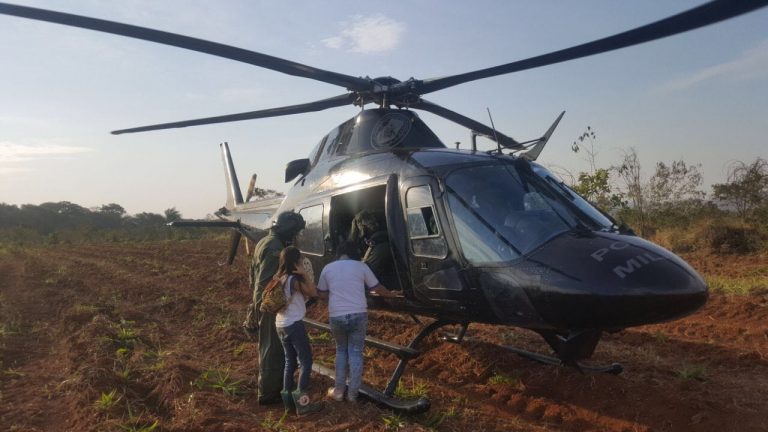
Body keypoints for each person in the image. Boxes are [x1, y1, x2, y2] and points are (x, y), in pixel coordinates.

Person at [316, 240, 399, 402]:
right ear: (355, 253)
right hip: (358, 314)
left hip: (337, 315)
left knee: (341, 350)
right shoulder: (361, 267)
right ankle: (353, 394)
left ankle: (339, 392)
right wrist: (391, 294)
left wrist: (333, 296)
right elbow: (377, 288)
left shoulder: (328, 268)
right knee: (355, 352)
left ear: (338, 254)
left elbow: (321, 293)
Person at [245, 211, 306, 405]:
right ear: (289, 230)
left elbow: (252, 277)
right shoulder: (275, 247)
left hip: (265, 303)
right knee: (272, 350)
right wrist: (261, 308)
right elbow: (265, 283)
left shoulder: (265, 241)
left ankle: (276, 386)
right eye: (295, 232)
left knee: (275, 348)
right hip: (270, 306)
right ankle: (269, 394)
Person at [274, 246, 322, 415]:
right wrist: (304, 273)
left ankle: (288, 403)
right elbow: (312, 292)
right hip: (294, 324)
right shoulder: (293, 280)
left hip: (280, 324)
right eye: (300, 259)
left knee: (289, 362)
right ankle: (303, 405)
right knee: (306, 361)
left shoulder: (279, 278)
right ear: (296, 261)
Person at [349, 210, 399, 290]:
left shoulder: (377, 244)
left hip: (386, 288)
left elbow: (367, 273)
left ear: (362, 227)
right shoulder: (387, 238)